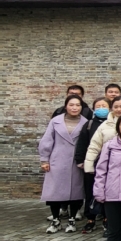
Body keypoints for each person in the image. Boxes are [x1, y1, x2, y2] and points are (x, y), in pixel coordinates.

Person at [82, 96, 121, 235]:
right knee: (109, 195)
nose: (119, 109)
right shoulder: (104, 125)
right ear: (111, 108)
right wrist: (89, 166)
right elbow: (94, 146)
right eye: (116, 107)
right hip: (109, 166)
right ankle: (109, 223)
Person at [40, 95, 88, 233]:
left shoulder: (86, 122)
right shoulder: (55, 121)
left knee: (75, 192)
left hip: (76, 162)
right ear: (66, 106)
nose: (74, 108)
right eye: (71, 105)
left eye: (77, 105)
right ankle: (56, 220)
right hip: (57, 160)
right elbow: (47, 140)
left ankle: (72, 220)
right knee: (54, 192)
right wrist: (44, 159)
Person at [74, 97, 111, 232]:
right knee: (90, 191)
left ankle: (106, 218)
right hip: (92, 162)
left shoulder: (113, 124)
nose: (101, 108)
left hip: (108, 164)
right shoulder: (89, 124)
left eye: (104, 106)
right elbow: (82, 143)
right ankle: (90, 218)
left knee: (106, 191)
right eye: (98, 106)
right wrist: (80, 160)